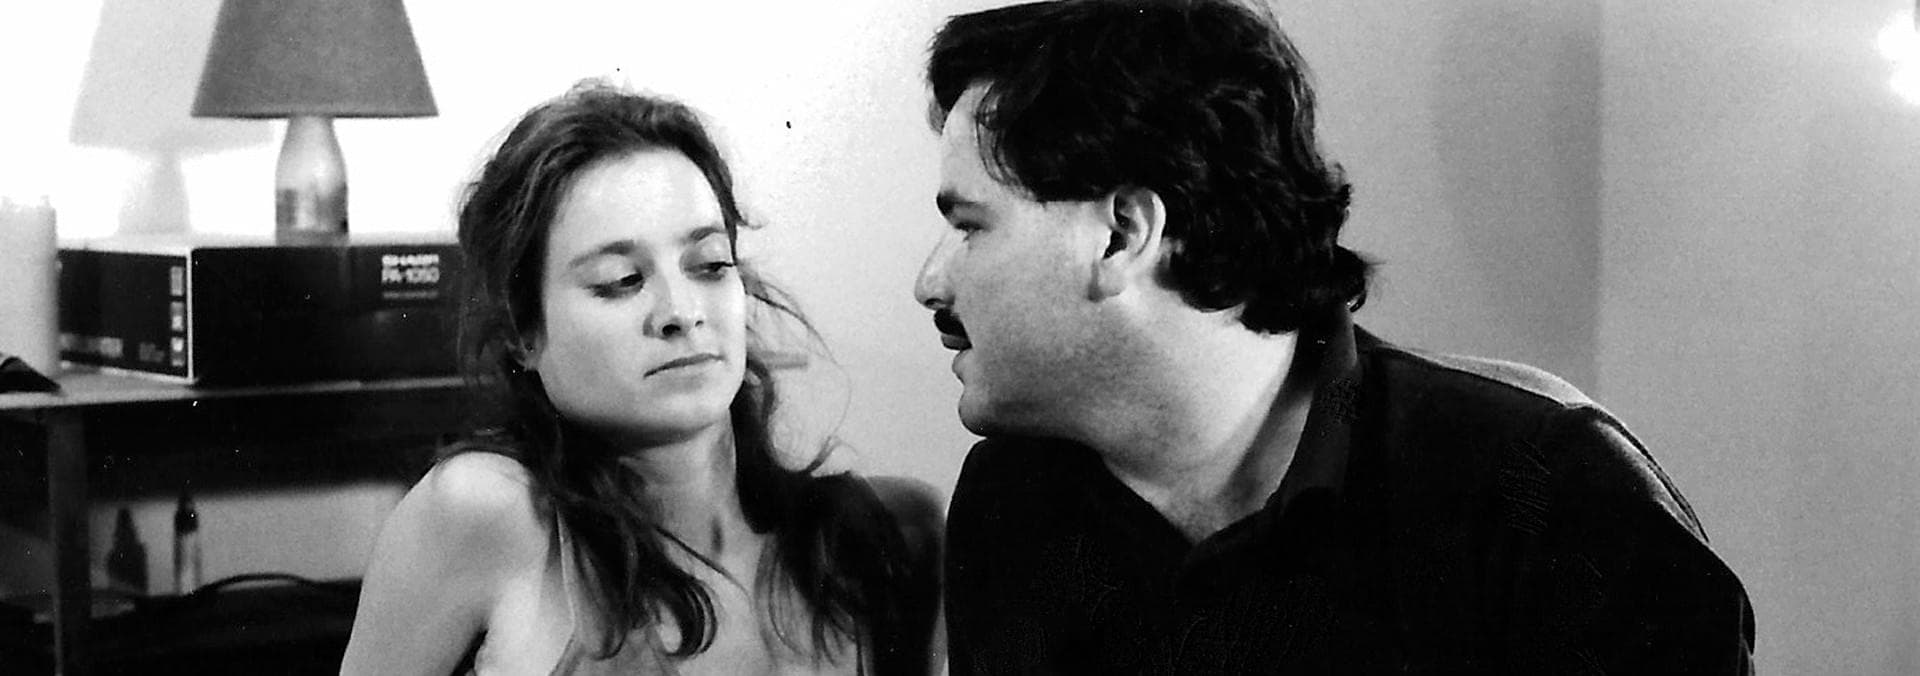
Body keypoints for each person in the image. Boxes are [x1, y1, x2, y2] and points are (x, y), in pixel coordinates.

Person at [913, 1, 1754, 673]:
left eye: (969, 225)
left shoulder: (1549, 496)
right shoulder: (1011, 499)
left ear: (1122, 234)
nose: (930, 281)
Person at [342, 82, 942, 675]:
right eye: (621, 281)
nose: (681, 311)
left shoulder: (887, 536)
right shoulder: (485, 510)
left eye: (710, 265)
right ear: (524, 334)